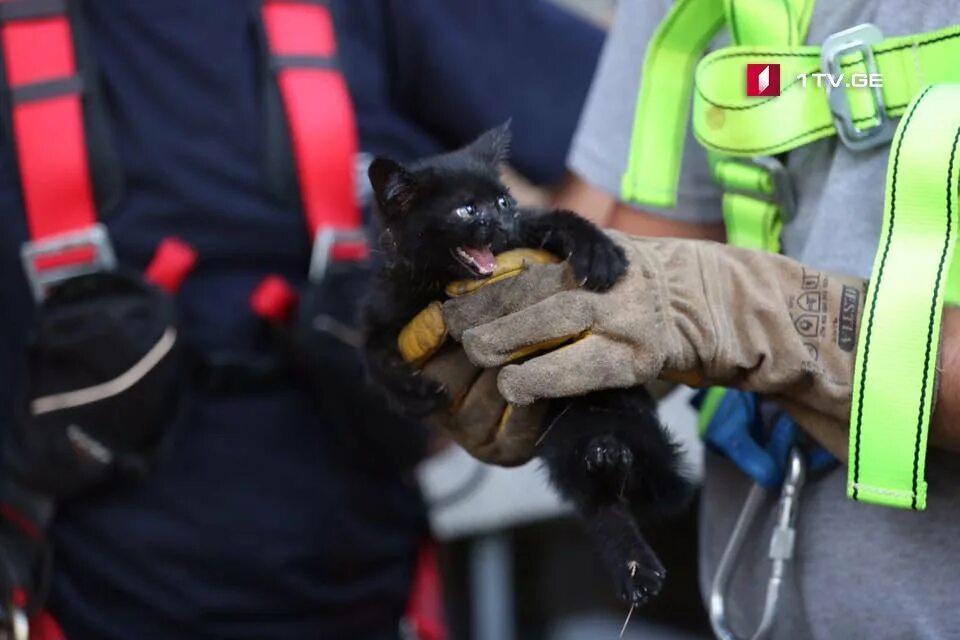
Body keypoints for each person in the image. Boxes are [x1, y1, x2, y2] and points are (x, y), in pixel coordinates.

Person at [0, 1, 603, 638]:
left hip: (369, 601)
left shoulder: (373, 14)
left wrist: (506, 352)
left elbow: (645, 149)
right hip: (61, 606)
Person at [407, 1, 960, 638]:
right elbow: (639, 247)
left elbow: (696, 299)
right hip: (755, 607)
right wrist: (542, 338)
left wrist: (747, 313)